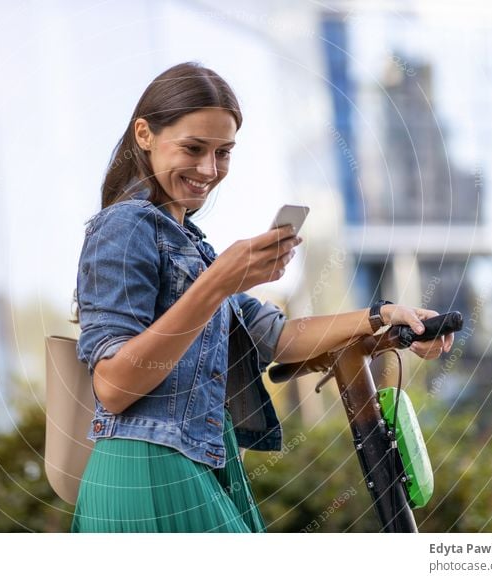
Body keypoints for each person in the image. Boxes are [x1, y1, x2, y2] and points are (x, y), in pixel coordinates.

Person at [70, 61, 453, 533]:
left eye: (223, 153)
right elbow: (113, 385)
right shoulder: (124, 226)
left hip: (198, 465)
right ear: (145, 134)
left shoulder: (192, 245)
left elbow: (280, 337)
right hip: (149, 471)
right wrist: (218, 284)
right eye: (193, 148)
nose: (209, 170)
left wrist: (385, 316)